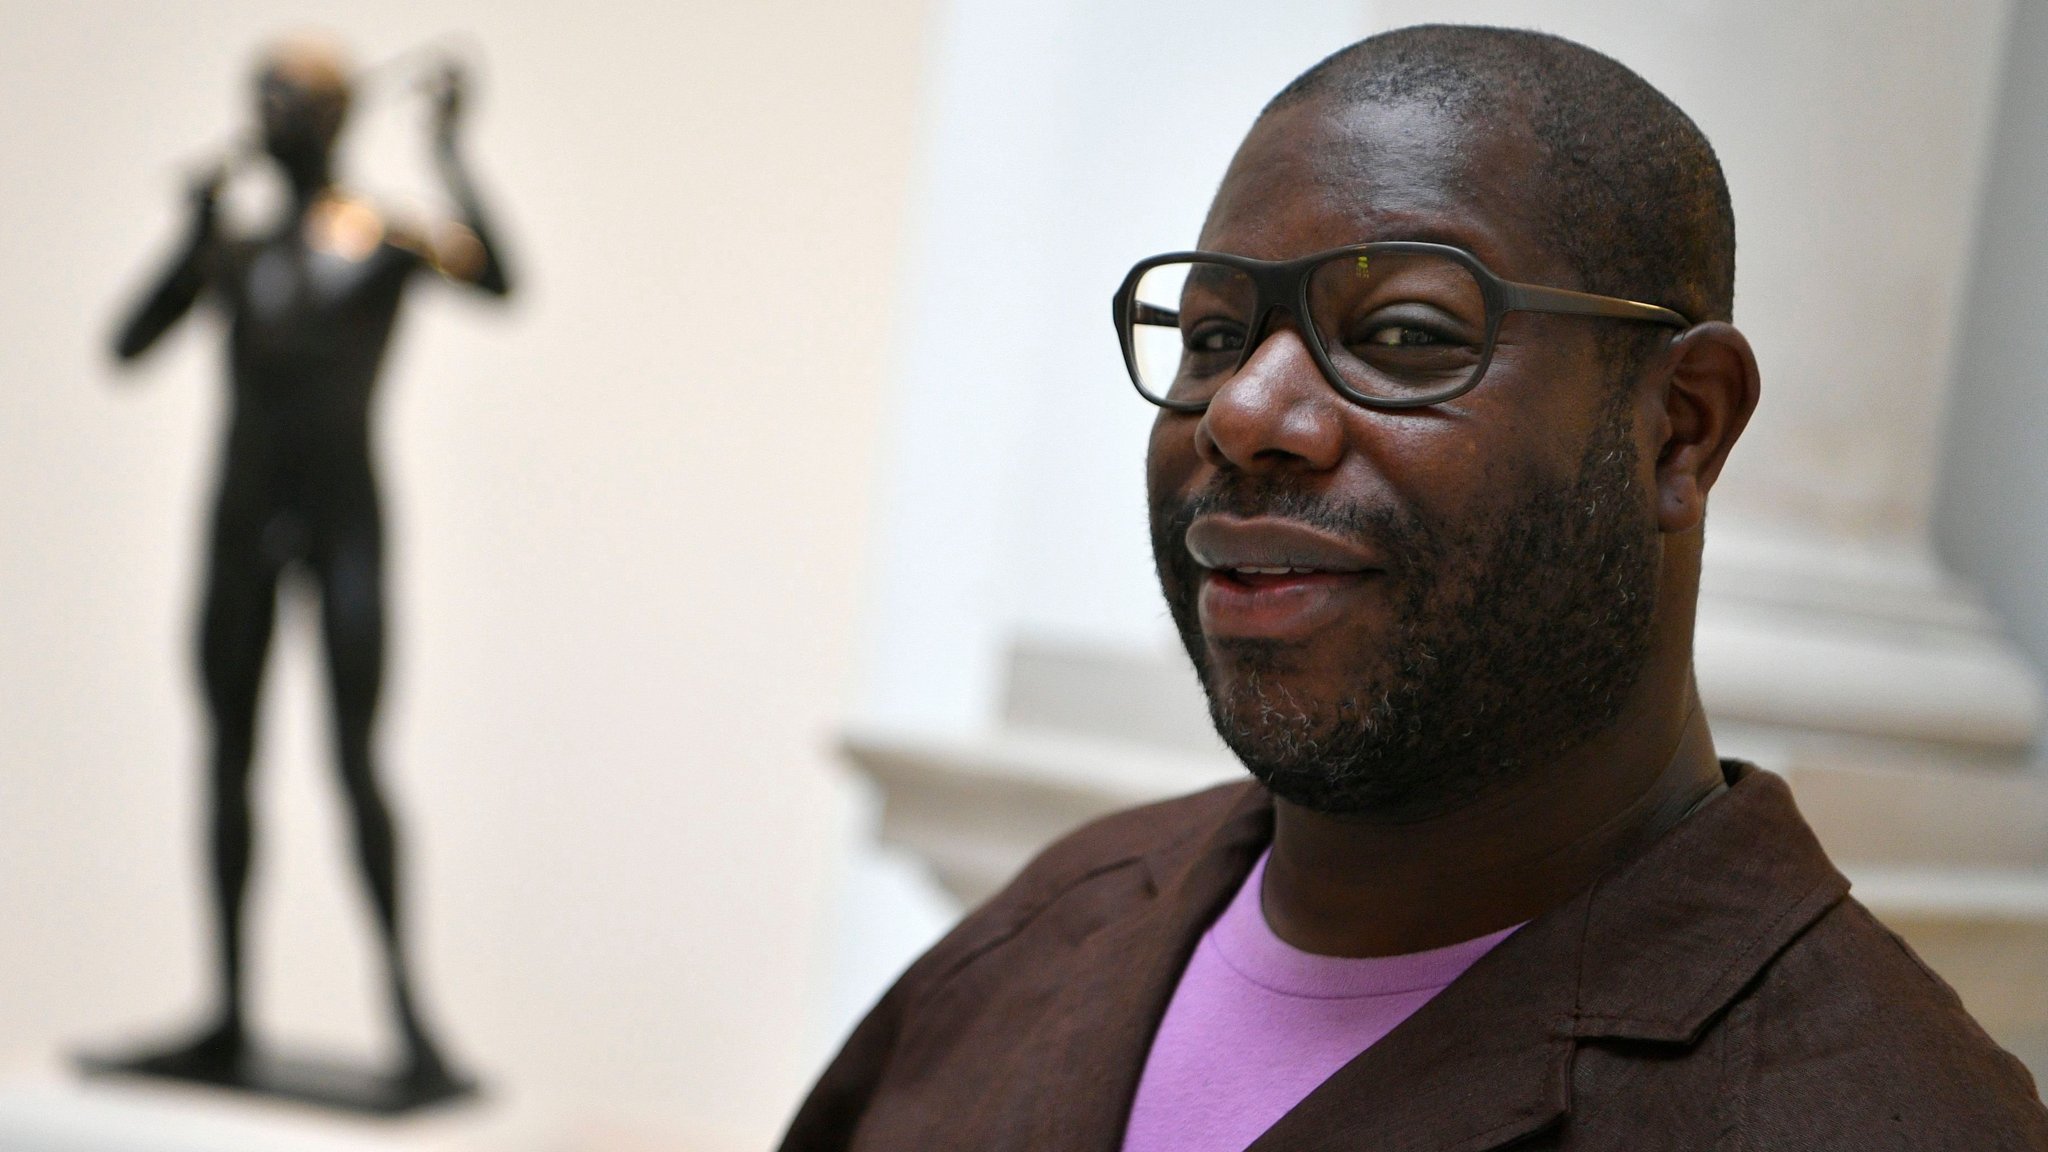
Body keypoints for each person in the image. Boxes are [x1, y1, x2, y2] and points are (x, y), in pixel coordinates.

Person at [780, 24, 2048, 1150]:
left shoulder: (1868, 1112)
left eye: (1403, 334)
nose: (1243, 412)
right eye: (1213, 337)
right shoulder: (1046, 935)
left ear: (1679, 429)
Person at [110, 36, 510, 1093]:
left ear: (336, 117)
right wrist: (188, 236)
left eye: (290, 100)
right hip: (240, 526)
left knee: (354, 764)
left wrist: (452, 154)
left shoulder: (384, 237)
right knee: (226, 760)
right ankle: (227, 1013)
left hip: (344, 526)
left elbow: (500, 277)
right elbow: (127, 344)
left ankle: (411, 1025)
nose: (271, 117)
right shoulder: (234, 250)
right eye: (263, 99)